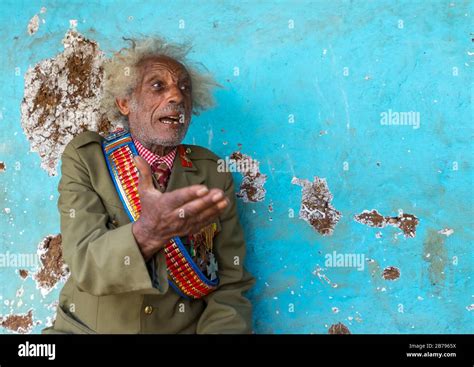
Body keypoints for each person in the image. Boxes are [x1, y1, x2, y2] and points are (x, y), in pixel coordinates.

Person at [43, 37, 255, 334]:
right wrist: (147, 232)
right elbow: (86, 265)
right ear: (125, 102)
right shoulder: (88, 159)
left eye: (184, 89)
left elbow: (230, 284)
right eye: (158, 86)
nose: (177, 97)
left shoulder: (212, 172)